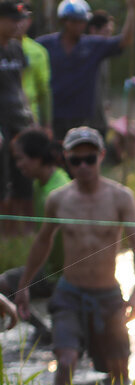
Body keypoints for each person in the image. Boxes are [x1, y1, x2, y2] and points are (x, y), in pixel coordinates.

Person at [14, 127, 135, 385]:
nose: (83, 166)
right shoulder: (58, 199)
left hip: (108, 294)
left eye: (90, 159)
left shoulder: (121, 197)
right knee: (66, 361)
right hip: (70, 294)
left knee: (119, 371)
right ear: (66, 158)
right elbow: (43, 241)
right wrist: (24, 285)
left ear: (101, 156)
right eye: (76, 160)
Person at [1, 128, 71, 344]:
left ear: (37, 157)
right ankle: (42, 330)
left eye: (20, 158)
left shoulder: (57, 190)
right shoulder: (39, 184)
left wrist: (25, 283)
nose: (18, 165)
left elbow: (47, 240)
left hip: (67, 273)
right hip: (49, 267)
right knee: (4, 284)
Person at [37, 0, 135, 141]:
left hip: (83, 118)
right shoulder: (45, 45)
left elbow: (124, 40)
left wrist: (132, 10)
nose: (80, 25)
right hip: (53, 116)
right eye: (75, 21)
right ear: (64, 21)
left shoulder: (92, 45)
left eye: (83, 21)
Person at [0, 0, 33, 230]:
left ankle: (25, 232)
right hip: (1, 124)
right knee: (3, 180)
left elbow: (20, 87)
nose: (17, 25)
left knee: (24, 176)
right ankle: (5, 234)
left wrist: (32, 120)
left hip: (20, 121)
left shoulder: (16, 48)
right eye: (12, 20)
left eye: (19, 20)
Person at [16, 3, 51, 131]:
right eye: (14, 19)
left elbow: (44, 90)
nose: (18, 24)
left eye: (22, 18)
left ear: (29, 21)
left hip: (29, 120)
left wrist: (47, 124)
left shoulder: (38, 51)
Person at [85, 9, 113, 141]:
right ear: (93, 30)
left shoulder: (104, 54)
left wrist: (106, 104)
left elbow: (104, 83)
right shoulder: (85, 52)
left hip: (101, 117)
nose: (109, 37)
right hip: (87, 118)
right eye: (106, 32)